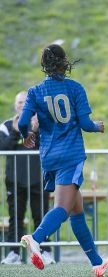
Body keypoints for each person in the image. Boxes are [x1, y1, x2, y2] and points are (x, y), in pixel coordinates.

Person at [17, 44, 108, 276]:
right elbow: (85, 124)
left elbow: (22, 123)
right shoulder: (75, 88)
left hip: (49, 156)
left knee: (76, 210)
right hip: (71, 154)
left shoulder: (34, 91)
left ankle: (97, 262)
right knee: (62, 207)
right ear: (64, 62)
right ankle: (35, 238)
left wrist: (26, 136)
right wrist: (98, 126)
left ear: (44, 65)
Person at [0, 91, 54, 265]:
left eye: (26, 101)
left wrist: (36, 131)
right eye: (20, 102)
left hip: (39, 178)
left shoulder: (41, 124)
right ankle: (14, 253)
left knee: (41, 216)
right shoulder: (7, 125)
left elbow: (49, 144)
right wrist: (17, 132)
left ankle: (45, 251)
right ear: (15, 105)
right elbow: (4, 147)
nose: (23, 104)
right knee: (15, 217)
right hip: (15, 180)